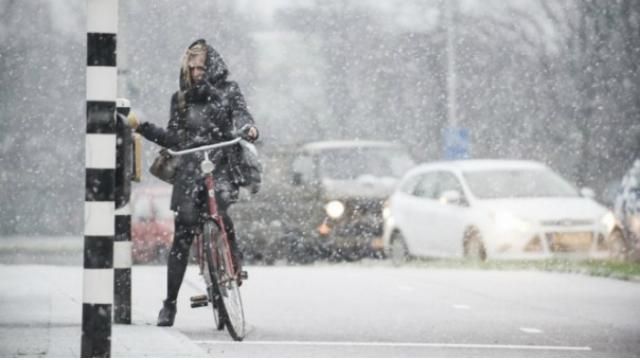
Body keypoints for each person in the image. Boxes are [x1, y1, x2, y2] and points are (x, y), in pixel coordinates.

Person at [129, 39, 259, 327]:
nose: (198, 72)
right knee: (183, 235)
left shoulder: (228, 91)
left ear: (213, 65)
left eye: (202, 66)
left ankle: (232, 257)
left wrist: (248, 128)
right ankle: (170, 304)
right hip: (190, 168)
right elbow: (176, 137)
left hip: (222, 163)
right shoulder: (181, 98)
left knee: (221, 208)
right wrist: (143, 128)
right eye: (192, 67)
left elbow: (241, 115)